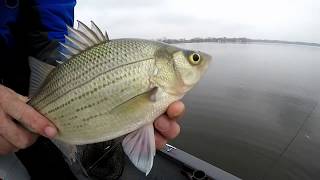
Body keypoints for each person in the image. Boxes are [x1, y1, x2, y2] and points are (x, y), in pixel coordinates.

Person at [0, 0, 184, 179]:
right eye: (194, 59)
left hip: (25, 80)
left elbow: (50, 35)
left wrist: (95, 97)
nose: (200, 62)